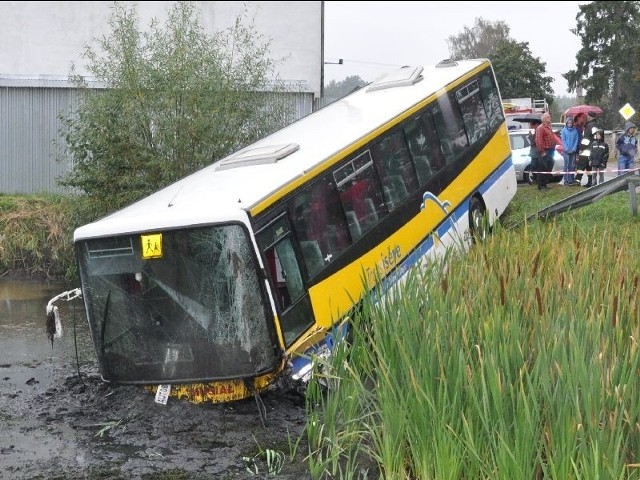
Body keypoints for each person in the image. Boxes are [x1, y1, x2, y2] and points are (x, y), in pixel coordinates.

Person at [534, 112, 558, 190]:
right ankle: (541, 186)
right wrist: (542, 151)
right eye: (548, 117)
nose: (550, 118)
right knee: (542, 169)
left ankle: (545, 184)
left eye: (549, 117)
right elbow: (538, 141)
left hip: (551, 150)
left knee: (548, 168)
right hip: (545, 151)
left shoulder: (549, 127)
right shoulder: (540, 128)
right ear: (544, 119)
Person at [560, 116, 580, 186]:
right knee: (566, 165)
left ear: (572, 124)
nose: (569, 124)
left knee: (572, 166)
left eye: (571, 123)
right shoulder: (563, 131)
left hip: (573, 151)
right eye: (568, 123)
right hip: (566, 151)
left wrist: (574, 148)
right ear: (566, 123)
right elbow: (563, 140)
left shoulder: (575, 131)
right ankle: (565, 180)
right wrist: (566, 148)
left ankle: (571, 179)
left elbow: (576, 140)